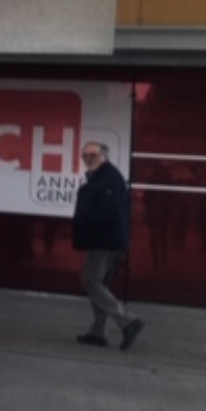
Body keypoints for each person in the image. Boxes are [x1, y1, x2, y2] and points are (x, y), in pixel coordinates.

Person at [73, 141, 144, 351]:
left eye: (93, 155)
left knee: (90, 280)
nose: (88, 158)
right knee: (99, 284)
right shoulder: (101, 177)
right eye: (84, 155)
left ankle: (128, 321)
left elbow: (109, 212)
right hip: (106, 240)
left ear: (104, 156)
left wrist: (85, 219)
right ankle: (97, 331)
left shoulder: (109, 178)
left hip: (105, 242)